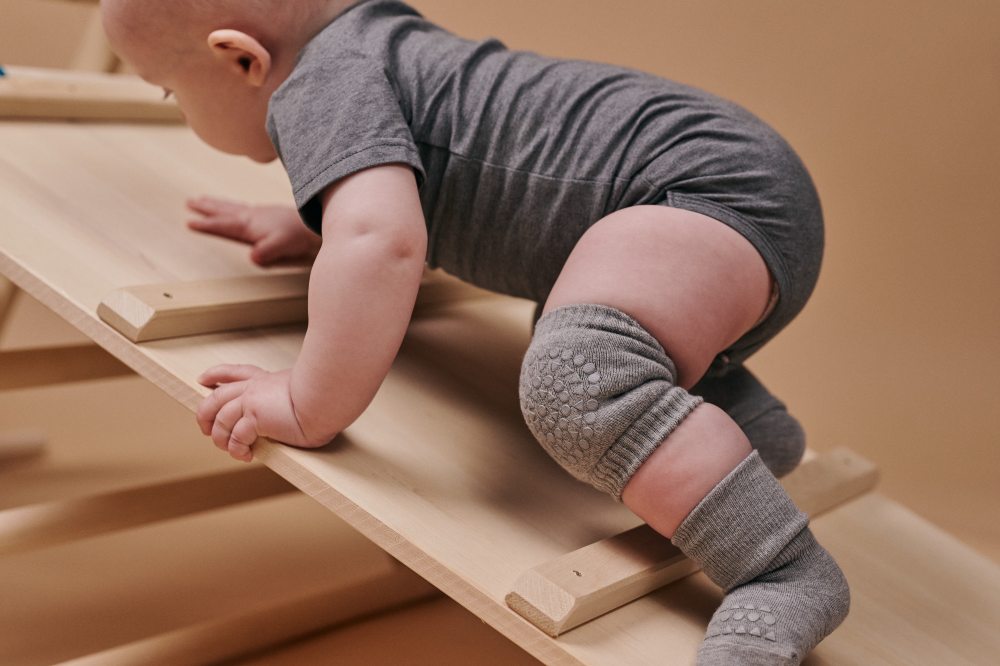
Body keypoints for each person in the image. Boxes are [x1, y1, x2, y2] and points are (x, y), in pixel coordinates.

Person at [100, 0, 849, 662]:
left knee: (576, 372)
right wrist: (320, 218)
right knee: (587, 317)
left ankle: (781, 570)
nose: (177, 108)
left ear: (240, 58)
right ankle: (748, 433)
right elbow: (398, 189)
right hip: (734, 191)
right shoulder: (372, 39)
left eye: (171, 90)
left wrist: (307, 402)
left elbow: (384, 242)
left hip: (707, 195)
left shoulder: (320, 81)